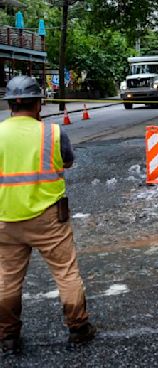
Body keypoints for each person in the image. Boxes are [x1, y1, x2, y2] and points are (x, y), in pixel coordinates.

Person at [0, 76, 96, 355]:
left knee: (6, 278)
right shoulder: (52, 133)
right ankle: (78, 329)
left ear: (10, 105)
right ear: (38, 103)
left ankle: (7, 336)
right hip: (48, 218)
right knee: (65, 272)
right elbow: (67, 160)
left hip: (6, 218)